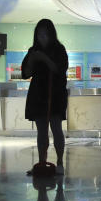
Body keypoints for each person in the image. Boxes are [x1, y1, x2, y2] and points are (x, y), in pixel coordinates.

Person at [21, 19, 69, 175]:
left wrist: (44, 59)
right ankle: (42, 161)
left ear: (51, 34)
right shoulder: (33, 50)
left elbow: (59, 70)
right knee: (41, 131)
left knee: (56, 128)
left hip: (55, 94)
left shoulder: (59, 50)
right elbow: (26, 73)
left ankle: (60, 162)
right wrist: (33, 60)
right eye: (39, 34)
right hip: (38, 94)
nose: (42, 37)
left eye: (45, 34)